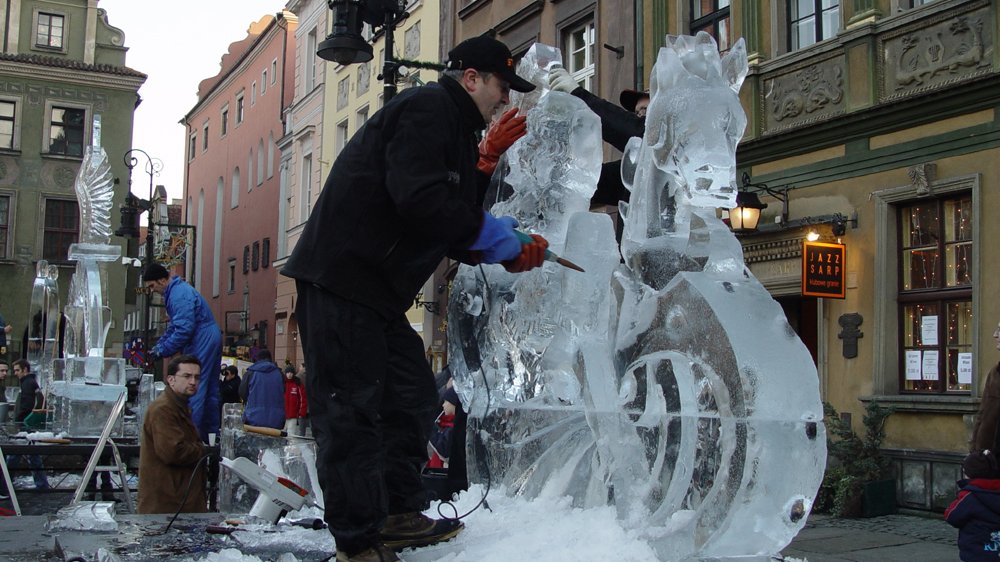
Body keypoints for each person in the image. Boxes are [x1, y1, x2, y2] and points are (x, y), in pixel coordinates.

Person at [281, 34, 547, 562]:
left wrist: (483, 176)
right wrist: (497, 240)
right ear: (471, 78)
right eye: (500, 86)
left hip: (377, 292)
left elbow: (447, 220)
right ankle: (356, 544)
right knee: (351, 412)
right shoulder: (427, 109)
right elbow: (421, 201)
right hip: (343, 280)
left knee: (410, 397)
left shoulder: (453, 127)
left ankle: (399, 510)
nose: (505, 99)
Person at [143, 262, 223, 442]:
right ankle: (210, 437)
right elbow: (177, 326)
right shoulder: (179, 291)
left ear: (162, 280)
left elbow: (183, 329)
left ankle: (189, 437)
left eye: (152, 286)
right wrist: (161, 345)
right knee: (208, 389)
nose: (152, 290)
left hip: (202, 337)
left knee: (193, 386)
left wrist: (162, 349)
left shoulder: (178, 295)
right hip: (208, 335)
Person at [549, 67, 648, 207]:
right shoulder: (630, 172)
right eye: (636, 113)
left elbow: (641, 134)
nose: (640, 116)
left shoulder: (674, 143)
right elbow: (589, 180)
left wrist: (579, 96)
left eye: (645, 110)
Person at [137, 354, 208, 514]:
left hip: (176, 502)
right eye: (187, 376)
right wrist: (203, 450)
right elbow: (173, 452)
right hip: (167, 504)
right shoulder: (164, 409)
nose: (193, 382)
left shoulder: (178, 406)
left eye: (197, 377)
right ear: (171, 379)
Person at [3, 359, 50, 492]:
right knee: (32, 455)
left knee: (16, 454)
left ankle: (4, 485)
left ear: (25, 370)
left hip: (24, 424)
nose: (15, 373)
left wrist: (18, 419)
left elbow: (27, 405)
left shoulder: (27, 383)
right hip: (27, 423)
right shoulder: (30, 383)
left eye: (18, 370)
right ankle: (41, 485)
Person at [971, 321, 1000, 453]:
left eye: (999, 330)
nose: (995, 335)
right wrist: (974, 450)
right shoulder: (995, 373)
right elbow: (982, 414)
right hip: (989, 456)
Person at [240, 349, 284, 430]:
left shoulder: (250, 373)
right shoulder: (279, 374)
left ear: (257, 359)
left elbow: (242, 392)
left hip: (253, 418)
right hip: (276, 420)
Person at [283, 365, 307, 436]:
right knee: (281, 435)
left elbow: (303, 399)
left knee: (291, 435)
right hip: (283, 415)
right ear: (285, 373)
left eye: (291, 373)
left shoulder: (298, 384)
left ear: (293, 373)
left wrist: (301, 413)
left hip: (293, 415)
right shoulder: (282, 383)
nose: (289, 374)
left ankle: (290, 447)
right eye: (288, 373)